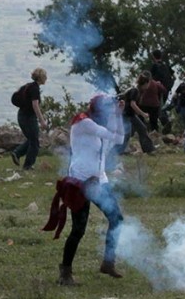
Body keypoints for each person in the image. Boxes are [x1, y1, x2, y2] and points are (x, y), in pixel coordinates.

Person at [45, 94, 127, 285]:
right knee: (78, 230)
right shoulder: (84, 123)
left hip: (99, 181)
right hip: (80, 183)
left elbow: (119, 138)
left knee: (116, 219)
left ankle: (108, 262)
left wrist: (118, 115)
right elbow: (110, 135)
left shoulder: (98, 127)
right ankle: (65, 272)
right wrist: (115, 114)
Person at [11, 68, 48, 171]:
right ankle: (28, 165)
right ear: (41, 78)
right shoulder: (35, 89)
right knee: (35, 142)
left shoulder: (28, 86)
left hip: (21, 115)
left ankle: (17, 153)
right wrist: (42, 121)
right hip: (29, 117)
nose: (46, 78)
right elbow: (35, 105)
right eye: (45, 76)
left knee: (32, 140)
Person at [119, 74, 156, 154]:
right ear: (145, 83)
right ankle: (118, 150)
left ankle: (149, 149)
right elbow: (133, 104)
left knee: (141, 128)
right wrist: (143, 114)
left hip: (130, 114)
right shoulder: (135, 91)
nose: (148, 86)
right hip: (126, 114)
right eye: (148, 84)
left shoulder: (137, 90)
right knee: (127, 134)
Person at [137, 69, 168, 137]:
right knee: (153, 122)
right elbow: (164, 90)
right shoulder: (155, 83)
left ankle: (141, 133)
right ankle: (155, 135)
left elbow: (138, 94)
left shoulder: (140, 84)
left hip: (143, 104)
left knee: (140, 119)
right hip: (154, 105)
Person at [150, 50, 174, 134]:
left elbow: (150, 78)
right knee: (161, 107)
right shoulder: (166, 66)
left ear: (153, 56)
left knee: (157, 109)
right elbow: (172, 75)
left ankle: (165, 124)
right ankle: (164, 125)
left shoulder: (154, 66)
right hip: (166, 90)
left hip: (157, 91)